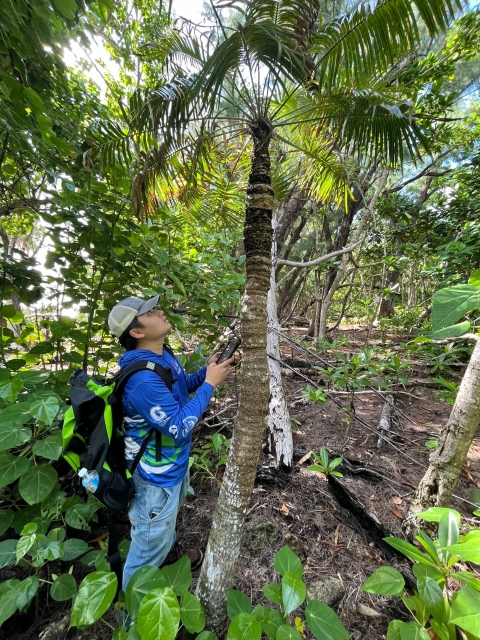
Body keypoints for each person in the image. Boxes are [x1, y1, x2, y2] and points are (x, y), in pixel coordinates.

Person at [107, 294, 233, 591]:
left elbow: (182, 387)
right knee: (146, 546)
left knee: (165, 526)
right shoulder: (142, 380)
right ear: (136, 332)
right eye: (150, 312)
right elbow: (178, 426)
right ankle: (131, 614)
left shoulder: (162, 355)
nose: (160, 311)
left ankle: (167, 553)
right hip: (154, 478)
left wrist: (207, 372)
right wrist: (211, 384)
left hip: (172, 466)